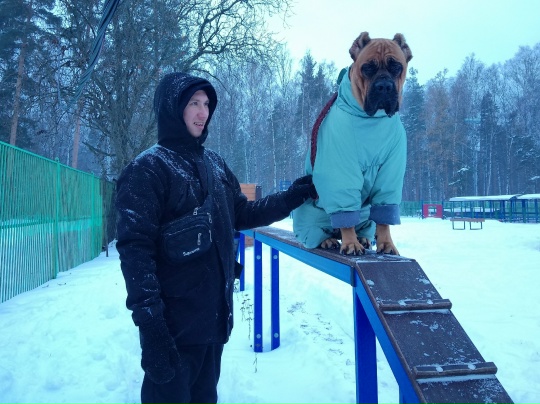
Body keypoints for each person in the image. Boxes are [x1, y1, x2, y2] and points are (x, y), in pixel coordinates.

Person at [115, 72, 316, 404]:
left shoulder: (215, 164)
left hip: (213, 324)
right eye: (193, 103)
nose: (202, 113)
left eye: (207, 104)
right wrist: (151, 328)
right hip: (172, 332)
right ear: (172, 107)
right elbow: (135, 252)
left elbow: (242, 214)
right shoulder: (147, 169)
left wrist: (290, 198)